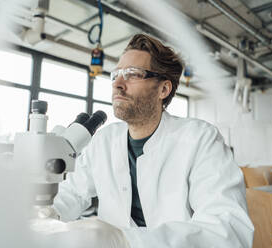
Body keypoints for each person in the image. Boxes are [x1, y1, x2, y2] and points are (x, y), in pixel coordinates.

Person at [53, 34, 254, 248]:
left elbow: (227, 231)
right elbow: (71, 193)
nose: (118, 84)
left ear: (163, 89)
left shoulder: (200, 139)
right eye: (116, 74)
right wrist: (46, 214)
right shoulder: (104, 140)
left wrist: (124, 240)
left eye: (132, 74)